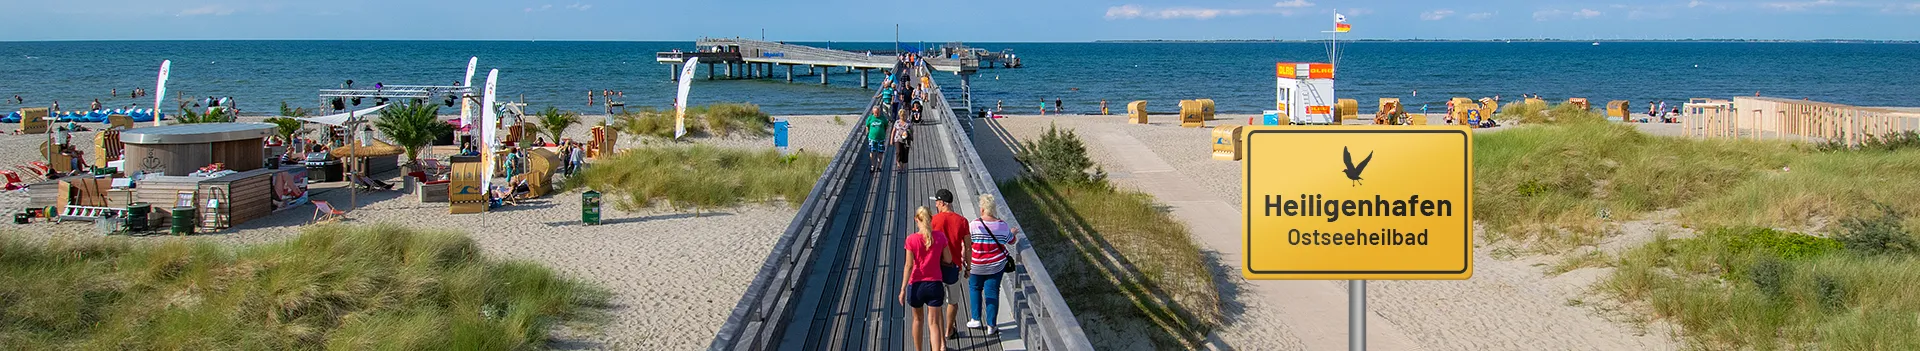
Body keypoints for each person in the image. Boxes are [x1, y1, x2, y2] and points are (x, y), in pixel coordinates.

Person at [965, 193, 1019, 335]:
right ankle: (991, 325)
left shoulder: (974, 225)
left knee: (975, 288)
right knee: (992, 292)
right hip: (995, 266)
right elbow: (1011, 241)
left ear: (982, 209)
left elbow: (968, 243)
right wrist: (1012, 232)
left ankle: (976, 318)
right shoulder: (1002, 226)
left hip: (976, 265)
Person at [900, 206, 951, 351]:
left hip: (916, 285)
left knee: (917, 320)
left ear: (916, 219)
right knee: (934, 323)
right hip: (935, 284)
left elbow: (908, 266)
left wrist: (903, 289)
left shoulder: (911, 239)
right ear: (931, 219)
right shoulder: (940, 236)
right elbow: (948, 259)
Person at [929, 189, 971, 338]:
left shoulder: (933, 220)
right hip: (954, 267)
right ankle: (949, 330)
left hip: (936, 268)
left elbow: (927, 243)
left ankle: (939, 335)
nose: (935, 204)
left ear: (942, 203)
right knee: (953, 301)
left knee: (937, 303)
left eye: (936, 201)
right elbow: (967, 246)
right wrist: (969, 267)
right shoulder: (962, 221)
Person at [865, 106, 889, 172]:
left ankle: (879, 166)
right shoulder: (870, 118)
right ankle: (873, 165)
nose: (876, 114)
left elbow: (886, 126)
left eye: (878, 113)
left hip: (881, 138)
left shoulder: (883, 118)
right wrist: (869, 134)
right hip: (872, 138)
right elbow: (867, 126)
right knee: (872, 152)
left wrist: (883, 133)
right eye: (875, 113)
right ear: (873, 112)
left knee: (880, 152)